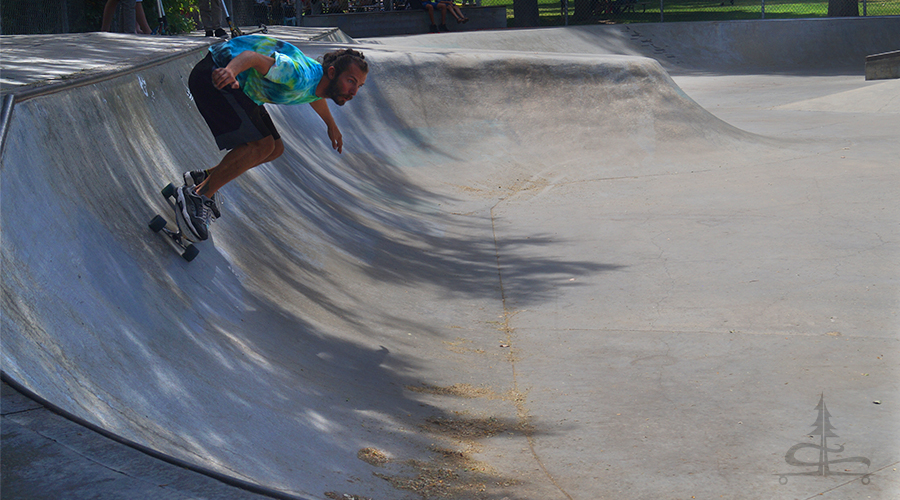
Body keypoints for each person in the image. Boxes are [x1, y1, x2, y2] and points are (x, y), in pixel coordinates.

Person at [179, 36, 368, 241]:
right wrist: (231, 71)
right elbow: (251, 57)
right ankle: (197, 196)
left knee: (275, 148)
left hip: (239, 87)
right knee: (262, 146)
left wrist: (331, 125)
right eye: (351, 81)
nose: (354, 92)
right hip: (215, 76)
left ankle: (203, 178)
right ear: (332, 73)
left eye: (359, 85)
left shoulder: (319, 81)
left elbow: (315, 97)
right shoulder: (297, 75)